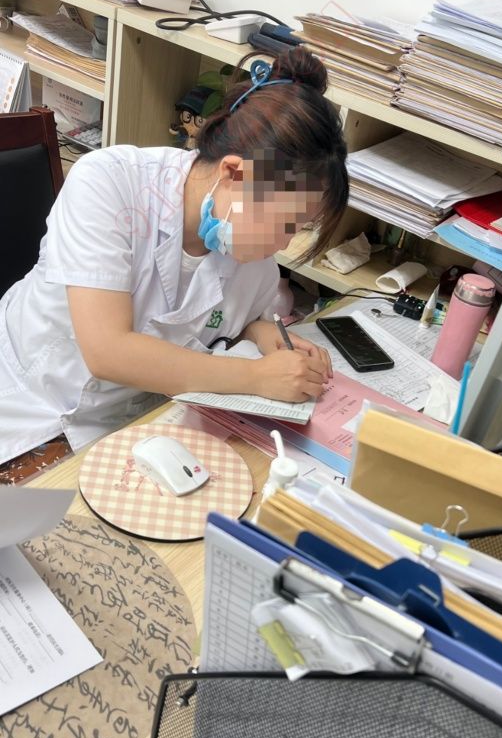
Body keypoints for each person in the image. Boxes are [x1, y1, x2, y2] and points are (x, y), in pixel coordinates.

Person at [0, 47, 348, 464]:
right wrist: (255, 376)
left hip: (131, 419)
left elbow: (213, 321)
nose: (284, 243)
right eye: (286, 222)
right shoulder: (109, 182)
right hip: (27, 399)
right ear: (234, 173)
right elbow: (108, 350)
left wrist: (258, 334)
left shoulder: (252, 258)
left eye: (300, 227)